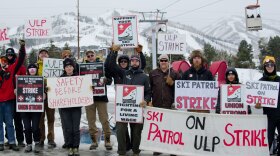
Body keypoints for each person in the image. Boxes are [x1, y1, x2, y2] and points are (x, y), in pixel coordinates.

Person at [108, 45, 151, 156]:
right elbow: (112, 66)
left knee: (136, 131)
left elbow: (148, 92)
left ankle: (136, 151)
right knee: (120, 129)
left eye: (137, 60)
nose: (134, 62)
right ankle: (122, 151)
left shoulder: (144, 77)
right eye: (132, 60)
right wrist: (114, 52)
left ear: (139, 62)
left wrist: (146, 100)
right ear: (130, 62)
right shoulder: (124, 73)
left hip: (137, 109)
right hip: (124, 108)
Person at [149, 54, 180, 156]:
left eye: (165, 60)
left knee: (171, 128)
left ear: (168, 62)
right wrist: (149, 100)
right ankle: (158, 148)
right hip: (157, 104)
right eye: (161, 60)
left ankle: (172, 149)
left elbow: (181, 89)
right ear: (159, 61)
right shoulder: (153, 73)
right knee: (158, 128)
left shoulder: (174, 73)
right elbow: (149, 89)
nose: (163, 62)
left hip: (170, 105)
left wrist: (173, 83)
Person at [84, 50, 112, 150]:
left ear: (95, 56)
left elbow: (109, 81)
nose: (90, 57)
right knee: (91, 120)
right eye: (88, 55)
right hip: (88, 98)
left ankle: (107, 140)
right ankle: (94, 141)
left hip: (101, 97)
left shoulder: (102, 67)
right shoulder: (82, 68)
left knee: (104, 119)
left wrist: (106, 80)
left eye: (92, 55)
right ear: (86, 57)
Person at [0, 40, 26, 151]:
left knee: (10, 123)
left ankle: (12, 142)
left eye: (6, 60)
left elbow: (20, 59)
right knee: (0, 124)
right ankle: (1, 142)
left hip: (9, 100)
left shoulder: (11, 69)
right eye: (2, 60)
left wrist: (22, 47)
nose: (4, 62)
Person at [255, 56, 280, 155]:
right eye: (267, 65)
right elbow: (257, 104)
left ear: (274, 66)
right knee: (267, 140)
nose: (269, 67)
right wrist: (257, 105)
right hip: (268, 116)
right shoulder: (260, 82)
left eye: (271, 65)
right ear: (264, 67)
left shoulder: (279, 80)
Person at [58, 58, 82, 156]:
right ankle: (70, 146)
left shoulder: (79, 78)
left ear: (73, 67)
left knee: (75, 128)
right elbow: (56, 91)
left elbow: (84, 90)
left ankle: (76, 147)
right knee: (68, 128)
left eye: (70, 66)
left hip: (76, 107)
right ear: (64, 68)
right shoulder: (60, 79)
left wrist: (89, 88)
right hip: (65, 108)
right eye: (67, 67)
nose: (69, 68)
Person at [37, 49, 56, 148]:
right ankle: (41, 138)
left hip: (51, 94)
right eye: (41, 53)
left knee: (51, 118)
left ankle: (51, 138)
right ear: (39, 55)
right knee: (40, 119)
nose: (43, 54)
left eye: (45, 53)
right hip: (39, 96)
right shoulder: (35, 66)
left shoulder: (54, 65)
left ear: (48, 55)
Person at [21, 63, 42, 153]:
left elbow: (43, 91)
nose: (32, 69)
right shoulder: (22, 80)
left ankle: (37, 143)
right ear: (28, 70)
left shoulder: (40, 80)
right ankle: (28, 144)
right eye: (30, 68)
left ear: (36, 70)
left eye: (34, 68)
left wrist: (44, 94)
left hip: (36, 108)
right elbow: (18, 90)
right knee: (27, 127)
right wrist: (15, 91)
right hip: (24, 108)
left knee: (35, 127)